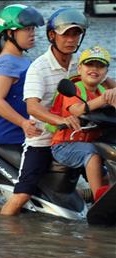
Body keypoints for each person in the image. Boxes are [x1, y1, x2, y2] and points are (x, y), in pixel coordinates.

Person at [0, 7, 97, 215]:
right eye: (66, 34)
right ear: (52, 36)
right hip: (43, 140)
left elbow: (103, 81)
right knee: (22, 195)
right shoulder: (39, 68)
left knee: (102, 169)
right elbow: (32, 106)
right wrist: (60, 120)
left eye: (76, 34)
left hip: (75, 138)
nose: (71, 39)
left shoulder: (80, 63)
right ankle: (0, 234)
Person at [50, 46, 116, 201]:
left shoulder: (101, 90)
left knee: (107, 172)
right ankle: (98, 199)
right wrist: (104, 99)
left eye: (100, 66)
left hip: (92, 143)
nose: (94, 69)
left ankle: (99, 196)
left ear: (106, 73)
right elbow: (77, 110)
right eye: (90, 64)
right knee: (92, 155)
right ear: (79, 68)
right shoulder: (73, 88)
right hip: (64, 145)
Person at [0, 4, 45, 146]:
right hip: (11, 132)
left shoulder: (18, 58)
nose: (32, 33)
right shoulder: (7, 64)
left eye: (33, 28)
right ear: (10, 33)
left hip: (22, 127)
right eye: (27, 29)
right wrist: (23, 123)